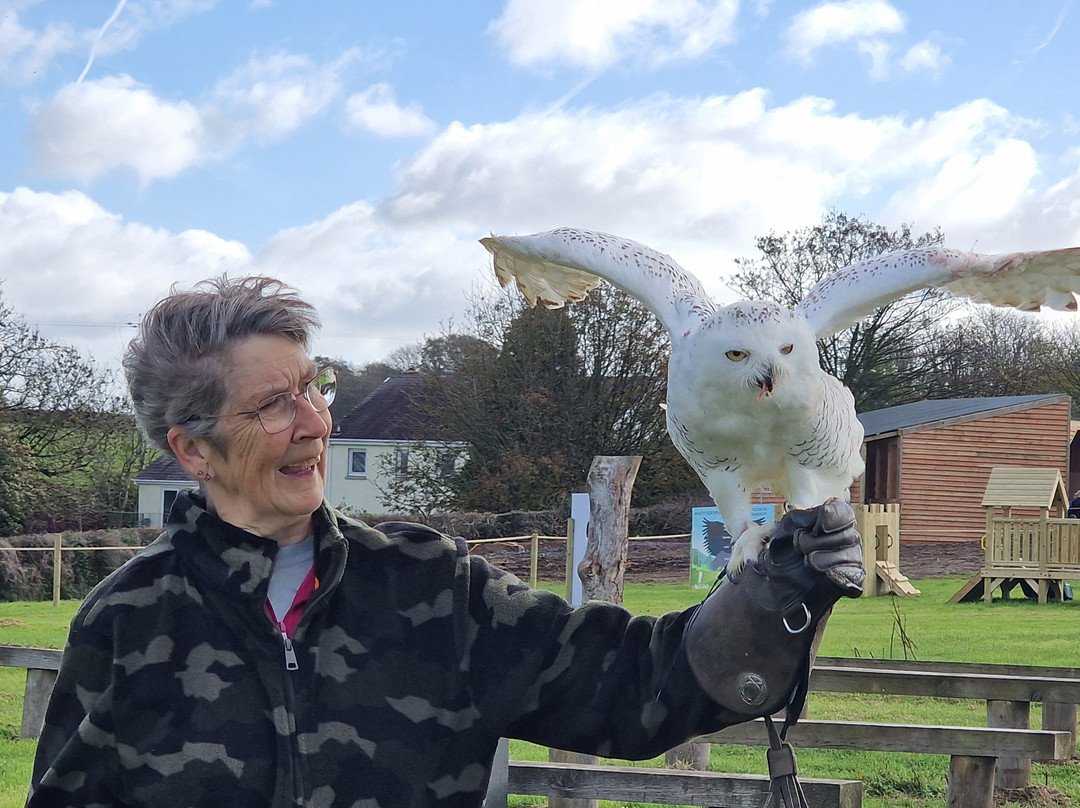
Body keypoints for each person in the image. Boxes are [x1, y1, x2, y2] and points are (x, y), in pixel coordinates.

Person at [28, 276, 864, 808]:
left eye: (313, 390)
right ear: (191, 448)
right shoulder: (127, 619)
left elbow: (634, 686)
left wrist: (775, 587)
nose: (317, 424)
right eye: (271, 406)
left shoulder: (427, 585)